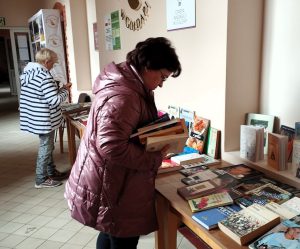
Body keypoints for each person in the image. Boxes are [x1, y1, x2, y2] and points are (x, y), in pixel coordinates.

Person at [64, 37, 181, 249]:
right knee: (121, 238)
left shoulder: (125, 82)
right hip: (115, 183)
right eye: (162, 77)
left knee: (110, 232)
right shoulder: (125, 95)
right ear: (147, 66)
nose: (162, 84)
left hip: (111, 178)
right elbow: (112, 146)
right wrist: (154, 159)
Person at [19, 48, 71, 188]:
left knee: (47, 146)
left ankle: (51, 172)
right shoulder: (44, 76)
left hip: (36, 116)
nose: (53, 65)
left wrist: (58, 89)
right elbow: (54, 100)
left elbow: (43, 95)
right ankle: (41, 179)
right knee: (46, 148)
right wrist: (65, 90)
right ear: (46, 62)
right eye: (53, 63)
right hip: (44, 119)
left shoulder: (29, 72)